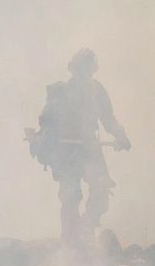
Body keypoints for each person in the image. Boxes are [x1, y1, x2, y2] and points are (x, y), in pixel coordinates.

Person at [35, 48, 130, 242]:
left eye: (87, 69)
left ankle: (87, 227)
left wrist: (120, 135)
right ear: (72, 70)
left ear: (92, 70)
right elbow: (47, 121)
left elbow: (108, 117)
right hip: (66, 153)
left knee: (101, 190)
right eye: (80, 69)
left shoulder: (97, 90)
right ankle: (70, 241)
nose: (83, 74)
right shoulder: (60, 92)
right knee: (70, 197)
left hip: (90, 150)